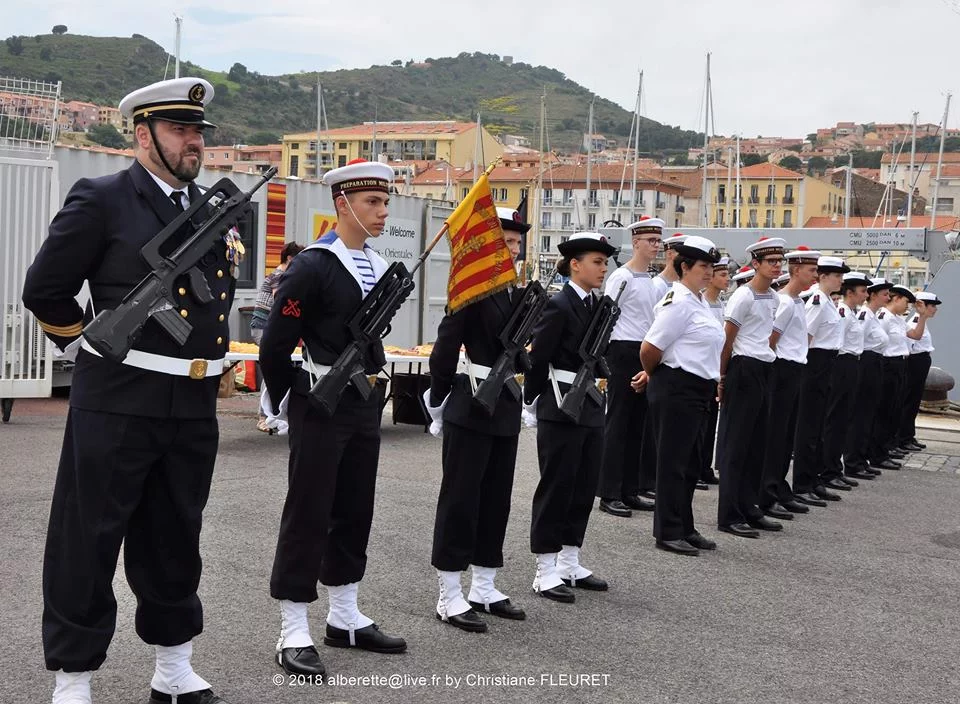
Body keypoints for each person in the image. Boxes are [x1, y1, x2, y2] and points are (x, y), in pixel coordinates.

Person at [22, 77, 231, 704]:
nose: (194, 142)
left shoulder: (209, 208)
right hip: (116, 399)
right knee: (88, 538)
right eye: (180, 131)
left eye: (198, 132)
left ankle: (172, 668)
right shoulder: (104, 197)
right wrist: (90, 344)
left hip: (190, 405)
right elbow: (45, 288)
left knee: (174, 536)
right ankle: (74, 677)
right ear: (144, 136)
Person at [260, 159, 406, 680]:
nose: (383, 211)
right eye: (373, 203)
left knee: (353, 507)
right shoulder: (313, 265)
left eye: (385, 202)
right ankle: (293, 626)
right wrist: (283, 404)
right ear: (343, 204)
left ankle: (344, 615)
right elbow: (275, 344)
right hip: (319, 403)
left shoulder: (373, 263)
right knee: (309, 510)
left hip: (362, 402)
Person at [423, 206, 529, 633]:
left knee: (496, 498)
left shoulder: (511, 292)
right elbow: (446, 347)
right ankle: (449, 591)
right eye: (506, 242)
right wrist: (437, 399)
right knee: (460, 499)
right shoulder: (469, 288)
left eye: (518, 243)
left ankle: (484, 583)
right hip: (470, 405)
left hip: (504, 405)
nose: (514, 249)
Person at [523, 232, 616, 603]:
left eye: (605, 263)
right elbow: (538, 356)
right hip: (560, 407)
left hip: (590, 405)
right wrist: (532, 403)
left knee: (583, 485)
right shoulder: (558, 305)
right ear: (574, 264)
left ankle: (570, 560)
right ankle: (545, 569)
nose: (603, 268)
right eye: (596, 261)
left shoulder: (597, 306)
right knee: (557, 486)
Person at [641, 236, 725, 556]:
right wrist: (653, 375)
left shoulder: (698, 301)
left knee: (690, 465)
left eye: (711, 267)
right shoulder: (677, 302)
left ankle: (685, 526)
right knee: (672, 463)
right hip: (677, 387)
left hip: (698, 388)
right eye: (703, 266)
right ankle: (668, 530)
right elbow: (650, 349)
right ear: (685, 267)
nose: (708, 272)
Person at [715, 237, 786, 538]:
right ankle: (729, 514)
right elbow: (727, 340)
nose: (776, 266)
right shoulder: (742, 297)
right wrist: (721, 378)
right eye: (771, 261)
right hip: (743, 369)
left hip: (763, 367)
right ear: (755, 263)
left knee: (758, 444)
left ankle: (750, 506)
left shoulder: (773, 297)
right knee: (736, 446)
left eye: (779, 261)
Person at [596, 217, 663, 518]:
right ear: (636, 243)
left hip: (643, 349)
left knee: (639, 424)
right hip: (622, 349)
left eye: (658, 241)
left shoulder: (650, 279)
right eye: (650, 240)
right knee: (619, 423)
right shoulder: (621, 277)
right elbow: (607, 317)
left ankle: (630, 489)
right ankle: (610, 492)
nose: (656, 245)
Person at [759, 246, 821, 518]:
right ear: (796, 271)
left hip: (796, 369)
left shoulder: (797, 301)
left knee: (786, 438)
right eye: (812, 270)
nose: (815, 275)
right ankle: (767, 493)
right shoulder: (784, 302)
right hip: (782, 369)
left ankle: (779, 488)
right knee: (775, 437)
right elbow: (771, 341)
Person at [791, 256, 850, 505]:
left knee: (817, 426)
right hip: (814, 363)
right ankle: (803, 484)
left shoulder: (827, 301)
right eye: (837, 275)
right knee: (808, 427)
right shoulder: (816, 301)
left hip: (826, 363)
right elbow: (805, 336)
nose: (841, 280)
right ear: (823, 276)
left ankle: (814, 479)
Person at [636, 231, 689, 500]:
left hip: (669, 357)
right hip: (655, 357)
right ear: (672, 255)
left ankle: (650, 479)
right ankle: (645, 479)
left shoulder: (684, 290)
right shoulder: (658, 285)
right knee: (648, 427)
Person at [823, 272, 872, 487]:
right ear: (849, 292)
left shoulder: (852, 313)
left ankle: (835, 468)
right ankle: (829, 470)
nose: (866, 295)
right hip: (842, 364)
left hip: (852, 364)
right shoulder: (842, 312)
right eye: (863, 291)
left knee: (844, 418)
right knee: (835, 420)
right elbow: (838, 343)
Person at [875, 285, 931, 464]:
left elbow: (915, 334)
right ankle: (878, 452)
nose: (908, 307)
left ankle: (887, 447)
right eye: (906, 302)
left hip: (900, 364)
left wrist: (922, 316)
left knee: (894, 409)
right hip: (888, 364)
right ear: (896, 298)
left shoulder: (898, 320)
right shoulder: (883, 317)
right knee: (883, 411)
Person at [697, 255, 730, 488]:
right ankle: (696, 467)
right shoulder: (702, 303)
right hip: (703, 365)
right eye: (723, 274)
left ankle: (705, 466)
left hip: (715, 368)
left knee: (710, 422)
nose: (727, 279)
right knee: (699, 425)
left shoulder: (722, 304)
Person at [858, 279, 897, 472]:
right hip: (867, 362)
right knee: (863, 412)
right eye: (884, 294)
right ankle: (855, 459)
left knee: (871, 412)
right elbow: (859, 341)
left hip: (875, 362)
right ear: (873, 295)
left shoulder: (874, 315)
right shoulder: (865, 315)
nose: (888, 297)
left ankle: (863, 456)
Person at [898, 291, 941, 452]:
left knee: (915, 401)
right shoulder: (914, 323)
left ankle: (909, 435)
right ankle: (903, 437)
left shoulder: (920, 322)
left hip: (921, 361)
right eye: (932, 306)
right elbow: (909, 347)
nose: (935, 309)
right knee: (909, 400)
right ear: (923, 306)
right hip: (915, 362)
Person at [251, 242, 304, 344]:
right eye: (299, 260)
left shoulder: (282, 275)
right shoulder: (278, 276)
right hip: (263, 327)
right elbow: (279, 301)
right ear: (289, 258)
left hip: (268, 327)